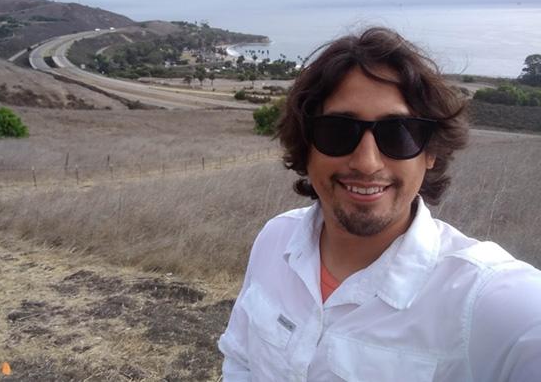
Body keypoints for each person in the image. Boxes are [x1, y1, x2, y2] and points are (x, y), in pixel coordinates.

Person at [218, 27, 541, 381]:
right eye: (338, 130)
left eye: (399, 133)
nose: (367, 163)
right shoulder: (274, 240)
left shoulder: (484, 299)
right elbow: (241, 358)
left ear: (431, 152)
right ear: (307, 146)